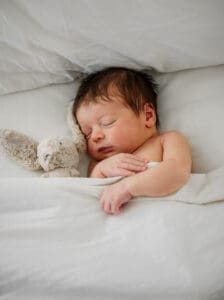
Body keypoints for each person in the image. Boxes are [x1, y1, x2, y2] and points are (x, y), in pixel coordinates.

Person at [72, 67, 192, 214]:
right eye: (87, 134)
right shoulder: (98, 164)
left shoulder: (167, 140)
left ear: (147, 116)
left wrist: (127, 188)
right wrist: (101, 170)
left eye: (107, 123)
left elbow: (178, 172)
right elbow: (91, 191)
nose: (95, 137)